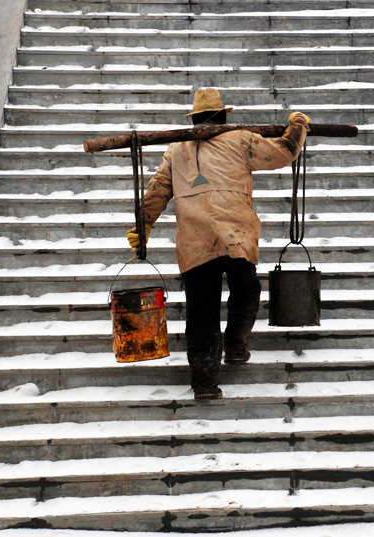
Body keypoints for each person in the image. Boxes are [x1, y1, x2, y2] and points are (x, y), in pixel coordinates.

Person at [126, 88, 310, 400]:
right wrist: (299, 126)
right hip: (235, 238)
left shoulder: (176, 149)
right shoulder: (240, 139)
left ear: (194, 120)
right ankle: (236, 344)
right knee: (247, 289)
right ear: (224, 116)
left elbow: (158, 189)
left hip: (195, 244)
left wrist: (144, 225)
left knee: (202, 313)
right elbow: (283, 151)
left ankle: (204, 383)